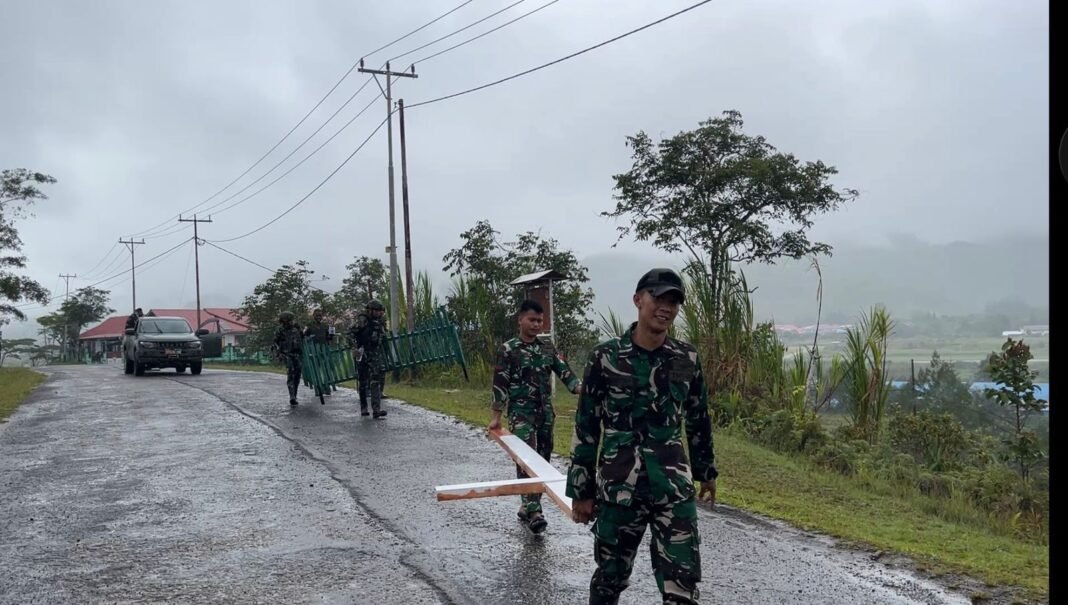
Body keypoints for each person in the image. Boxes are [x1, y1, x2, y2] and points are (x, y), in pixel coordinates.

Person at [566, 268, 717, 605]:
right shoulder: (605, 358)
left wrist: (706, 472)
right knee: (609, 579)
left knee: (682, 583)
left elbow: (698, 418)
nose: (666, 307)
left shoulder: (686, 358)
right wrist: (581, 491)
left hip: (672, 487)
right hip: (620, 487)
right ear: (638, 300)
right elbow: (586, 425)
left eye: (673, 301)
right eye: (658, 298)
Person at [489, 299, 581, 534]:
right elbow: (500, 384)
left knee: (543, 459)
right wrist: (496, 416)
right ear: (520, 320)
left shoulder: (547, 347)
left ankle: (526, 504)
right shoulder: (508, 349)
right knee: (527, 458)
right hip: (521, 414)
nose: (536, 325)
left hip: (545, 413)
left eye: (540, 321)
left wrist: (584, 389)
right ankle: (534, 510)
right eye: (532, 320)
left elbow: (565, 373)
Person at [349, 300, 388, 418]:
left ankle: (376, 410)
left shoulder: (379, 322)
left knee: (375, 379)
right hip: (362, 352)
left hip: (374, 354)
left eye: (380, 311)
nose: (379, 313)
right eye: (377, 311)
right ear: (370, 310)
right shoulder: (362, 320)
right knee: (363, 381)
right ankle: (364, 407)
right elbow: (351, 333)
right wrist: (354, 347)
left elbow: (383, 338)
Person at [272, 311, 304, 406]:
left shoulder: (296, 328)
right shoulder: (280, 330)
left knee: (297, 375)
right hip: (287, 354)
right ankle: (292, 396)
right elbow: (275, 342)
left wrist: (300, 329)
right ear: (284, 320)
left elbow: (302, 337)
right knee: (291, 374)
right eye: (289, 320)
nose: (291, 321)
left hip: (297, 354)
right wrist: (279, 353)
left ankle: (295, 395)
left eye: (292, 320)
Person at [303, 308, 337, 394]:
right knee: (316, 370)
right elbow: (304, 336)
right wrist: (309, 338)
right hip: (313, 351)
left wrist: (332, 330)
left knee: (326, 368)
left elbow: (329, 337)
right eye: (317, 315)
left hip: (324, 350)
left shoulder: (325, 326)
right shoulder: (309, 326)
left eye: (320, 315)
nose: (318, 317)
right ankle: (318, 388)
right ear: (313, 316)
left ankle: (327, 386)